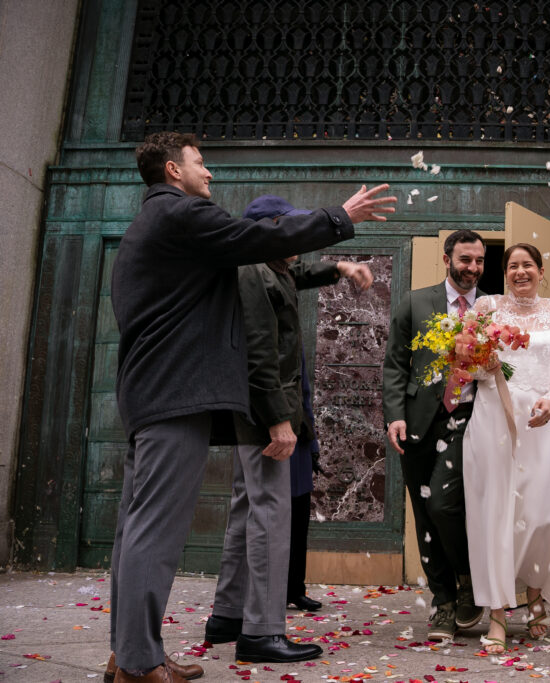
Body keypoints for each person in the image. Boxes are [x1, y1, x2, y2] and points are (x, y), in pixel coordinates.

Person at [107, 131, 395, 683]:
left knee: (135, 529)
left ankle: (129, 653)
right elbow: (258, 241)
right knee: (155, 534)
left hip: (153, 394)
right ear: (173, 170)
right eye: (200, 162)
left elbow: (273, 271)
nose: (209, 173)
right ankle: (139, 664)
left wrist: (332, 268)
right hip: (175, 396)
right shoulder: (181, 214)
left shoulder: (158, 226)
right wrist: (341, 215)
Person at [202, 195, 374, 663]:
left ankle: (228, 615)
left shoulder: (265, 267)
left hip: (254, 413)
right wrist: (280, 419)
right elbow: (257, 350)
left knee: (246, 510)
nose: (299, 239)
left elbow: (297, 275)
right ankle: (260, 630)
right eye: (291, 230)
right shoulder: (253, 270)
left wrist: (338, 266)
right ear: (269, 230)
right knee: (270, 518)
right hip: (263, 415)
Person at [460, 243, 550, 655]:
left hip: (539, 418)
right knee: (494, 512)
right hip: (493, 414)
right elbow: (467, 365)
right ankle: (496, 613)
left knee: (538, 513)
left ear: (541, 270)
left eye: (527, 265)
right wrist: (482, 363)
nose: (520, 272)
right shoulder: (486, 306)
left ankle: (534, 596)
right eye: (513, 266)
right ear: (505, 272)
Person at [382, 230, 488, 641]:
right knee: (424, 514)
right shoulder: (415, 301)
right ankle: (443, 601)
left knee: (444, 503)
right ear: (447, 260)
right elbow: (394, 364)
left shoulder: (491, 308)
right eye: (465, 260)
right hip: (417, 422)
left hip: (469, 419)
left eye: (479, 261)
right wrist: (395, 416)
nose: (473, 268)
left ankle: (467, 581)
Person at [287, 350, 323, 612]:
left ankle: (295, 589)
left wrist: (312, 445)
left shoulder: (293, 340)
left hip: (298, 443)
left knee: (299, 523)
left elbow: (305, 394)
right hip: (269, 440)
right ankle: (271, 592)